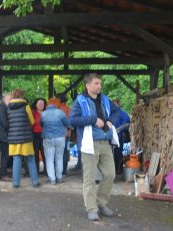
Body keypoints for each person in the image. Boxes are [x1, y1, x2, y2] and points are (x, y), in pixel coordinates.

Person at [69, 73, 120, 221]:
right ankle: (91, 208)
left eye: (100, 83)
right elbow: (72, 120)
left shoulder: (104, 99)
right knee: (89, 179)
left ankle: (101, 203)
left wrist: (110, 120)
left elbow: (117, 112)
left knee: (110, 174)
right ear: (88, 85)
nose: (100, 86)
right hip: (89, 144)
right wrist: (92, 120)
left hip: (105, 142)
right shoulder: (80, 101)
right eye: (96, 83)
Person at [7, 88, 40, 188]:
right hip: (25, 137)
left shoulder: (8, 107)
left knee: (16, 159)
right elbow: (32, 121)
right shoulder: (26, 106)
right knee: (30, 159)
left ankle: (16, 183)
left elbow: (8, 121)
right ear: (22, 95)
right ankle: (35, 182)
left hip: (13, 138)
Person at [41, 98, 71, 184]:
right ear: (57, 104)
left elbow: (41, 124)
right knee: (59, 158)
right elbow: (67, 123)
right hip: (60, 138)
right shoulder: (60, 112)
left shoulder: (43, 114)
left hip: (48, 138)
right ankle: (59, 177)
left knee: (49, 159)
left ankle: (52, 179)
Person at [0, 94, 13, 182]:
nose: (12, 101)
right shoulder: (2, 108)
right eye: (10, 99)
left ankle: (4, 173)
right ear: (6, 99)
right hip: (3, 136)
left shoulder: (3, 107)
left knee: (6, 155)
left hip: (2, 135)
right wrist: (12, 125)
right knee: (5, 155)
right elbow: (4, 123)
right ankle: (3, 175)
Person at [112, 99, 130, 175]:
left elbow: (127, 124)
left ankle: (119, 170)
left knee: (118, 154)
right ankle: (113, 170)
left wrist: (118, 129)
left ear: (118, 105)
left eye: (115, 104)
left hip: (119, 136)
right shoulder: (110, 113)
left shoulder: (123, 114)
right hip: (110, 136)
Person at [31, 98, 47, 175]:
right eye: (39, 103)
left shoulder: (47, 113)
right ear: (36, 104)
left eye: (42, 103)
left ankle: (46, 171)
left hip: (45, 136)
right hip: (35, 135)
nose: (41, 105)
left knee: (45, 154)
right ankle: (36, 171)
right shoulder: (33, 113)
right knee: (35, 154)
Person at [57, 93, 72, 176]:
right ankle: (64, 171)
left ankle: (58, 171)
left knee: (58, 153)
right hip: (67, 134)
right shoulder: (68, 109)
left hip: (57, 134)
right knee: (65, 152)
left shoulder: (57, 109)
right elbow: (70, 122)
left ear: (59, 99)